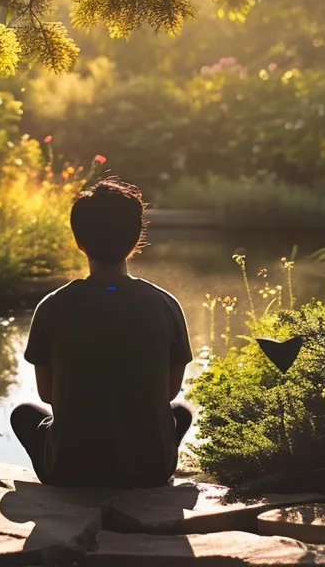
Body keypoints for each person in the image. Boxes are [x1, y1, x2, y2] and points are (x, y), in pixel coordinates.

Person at [11, 177, 195, 488]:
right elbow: (167, 393)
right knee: (181, 412)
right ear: (136, 239)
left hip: (71, 470)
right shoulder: (166, 305)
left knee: (24, 414)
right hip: (150, 470)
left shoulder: (52, 307)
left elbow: (48, 395)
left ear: (78, 241)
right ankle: (151, 454)